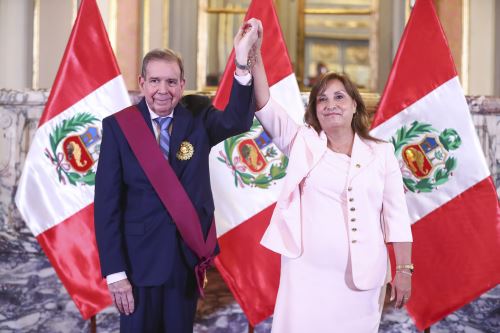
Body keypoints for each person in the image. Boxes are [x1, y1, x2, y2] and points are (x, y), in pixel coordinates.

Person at [94, 19, 261, 332]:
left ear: (183, 85)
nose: (162, 90)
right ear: (141, 83)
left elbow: (238, 121)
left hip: (184, 264)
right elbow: (107, 205)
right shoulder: (119, 127)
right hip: (137, 267)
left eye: (171, 82)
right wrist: (115, 273)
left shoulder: (198, 116)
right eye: (155, 81)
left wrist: (241, 62)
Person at [250, 23, 413, 332]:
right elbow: (264, 106)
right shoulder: (302, 142)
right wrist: (254, 56)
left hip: (363, 281)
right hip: (306, 277)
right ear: (315, 109)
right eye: (322, 99)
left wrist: (404, 269)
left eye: (339, 97)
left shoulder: (381, 154)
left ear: (354, 105)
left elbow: (397, 216)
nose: (330, 105)